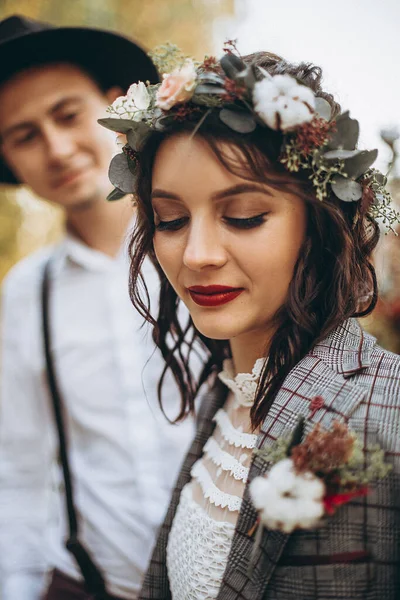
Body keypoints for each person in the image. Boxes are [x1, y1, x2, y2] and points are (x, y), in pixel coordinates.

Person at [100, 44, 400, 599]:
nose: (197, 254)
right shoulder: (224, 397)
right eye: (170, 219)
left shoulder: (389, 410)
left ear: (316, 223)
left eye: (243, 217)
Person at [0, 16, 196, 600]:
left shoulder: (212, 249)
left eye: (67, 115)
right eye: (24, 135)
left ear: (117, 108)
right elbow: (20, 466)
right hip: (95, 583)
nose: (56, 149)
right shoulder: (26, 292)